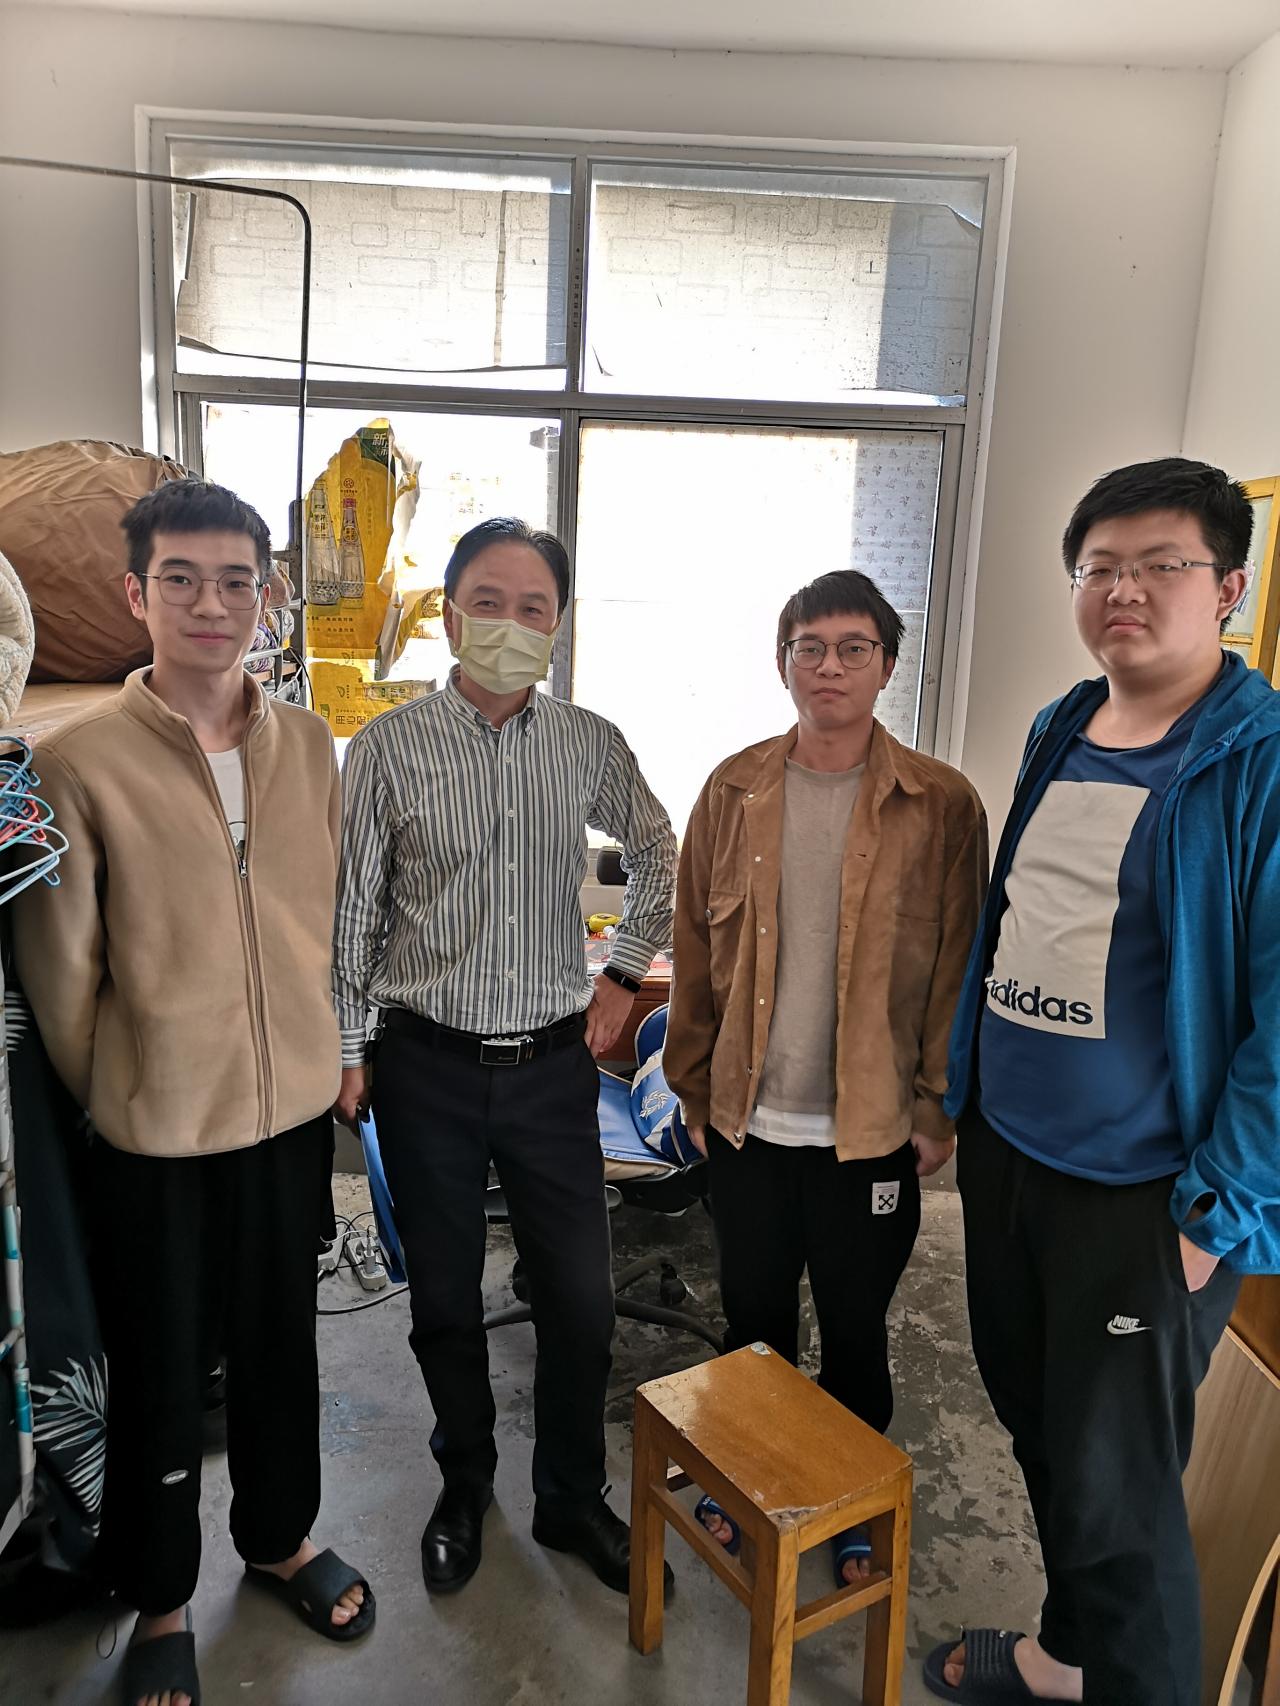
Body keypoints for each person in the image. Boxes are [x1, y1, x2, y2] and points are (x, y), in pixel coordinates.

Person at [927, 457, 1280, 1705]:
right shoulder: (1063, 724)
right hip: (1011, 1155)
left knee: (1120, 1507)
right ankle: (1063, 1657)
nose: (1120, 589)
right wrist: (961, 1099)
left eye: (1157, 564)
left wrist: (1212, 1217)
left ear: (1226, 587)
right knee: (1036, 1426)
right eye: (1097, 567)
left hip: (1141, 1195)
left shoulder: (1258, 761)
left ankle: (1120, 1668)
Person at [14, 479, 373, 1706]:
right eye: (181, 578)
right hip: (156, 1130)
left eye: (235, 580)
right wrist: (134, 1085)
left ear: (267, 596)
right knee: (161, 1367)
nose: (211, 604)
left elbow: (325, 921)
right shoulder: (76, 761)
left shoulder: (311, 745)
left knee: (280, 1346)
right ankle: (160, 1588)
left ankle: (279, 1538)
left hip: (289, 1119)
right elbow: (64, 979)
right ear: (137, 593)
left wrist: (318, 1056)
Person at [333, 516, 677, 1598]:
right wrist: (349, 1048)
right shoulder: (386, 747)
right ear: (449, 615)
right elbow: (353, 915)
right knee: (443, 1297)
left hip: (549, 1069)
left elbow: (658, 849)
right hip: (423, 1064)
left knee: (579, 1301)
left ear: (557, 625)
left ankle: (569, 1496)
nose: (510, 624)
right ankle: (464, 1481)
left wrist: (623, 972)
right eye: (489, 602)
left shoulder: (588, 743)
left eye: (534, 608)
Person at [664, 568, 987, 1587]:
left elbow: (957, 967)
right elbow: (694, 947)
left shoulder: (940, 803)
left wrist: (937, 1108)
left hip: (872, 1133)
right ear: (783, 662)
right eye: (810, 647)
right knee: (751, 1327)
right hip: (748, 1126)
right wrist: (692, 1087)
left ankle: (845, 1505)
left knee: (853, 1332)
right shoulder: (732, 789)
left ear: (887, 665)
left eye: (854, 648)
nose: (830, 666)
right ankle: (742, 1483)